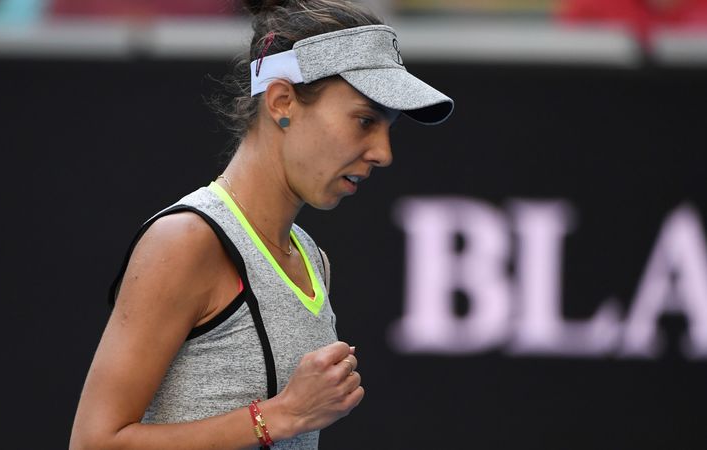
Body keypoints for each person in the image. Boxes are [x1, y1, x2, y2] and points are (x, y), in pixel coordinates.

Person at [69, 1, 453, 449]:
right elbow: (94, 443)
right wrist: (279, 415)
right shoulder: (187, 241)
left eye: (388, 128)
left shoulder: (312, 260)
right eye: (365, 120)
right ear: (282, 100)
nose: (383, 153)